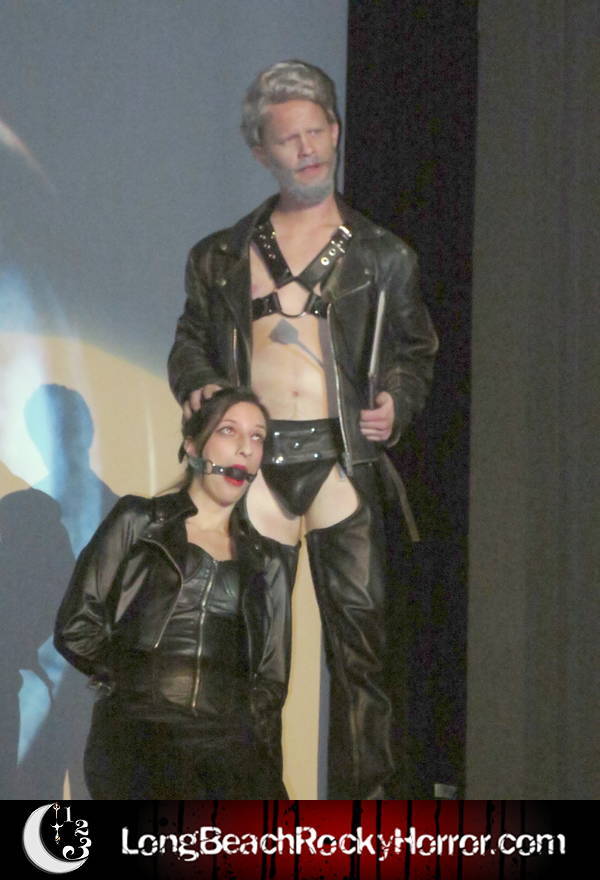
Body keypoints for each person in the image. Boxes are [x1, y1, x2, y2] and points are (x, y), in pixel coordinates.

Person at [167, 61, 438, 798]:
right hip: (257, 467)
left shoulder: (384, 255)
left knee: (364, 656)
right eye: (289, 139)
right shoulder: (221, 256)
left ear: (336, 132)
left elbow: (415, 351)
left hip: (340, 460)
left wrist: (397, 402)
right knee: (255, 658)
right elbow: (191, 340)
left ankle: (370, 824)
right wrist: (198, 383)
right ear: (262, 151)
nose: (307, 149)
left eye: (316, 132)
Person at [54, 388, 295, 799]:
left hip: (228, 741)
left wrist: (257, 754)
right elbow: (76, 625)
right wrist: (131, 679)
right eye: (229, 430)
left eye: (257, 437)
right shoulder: (139, 521)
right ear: (193, 445)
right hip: (142, 732)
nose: (245, 447)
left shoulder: (267, 560)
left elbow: (271, 678)